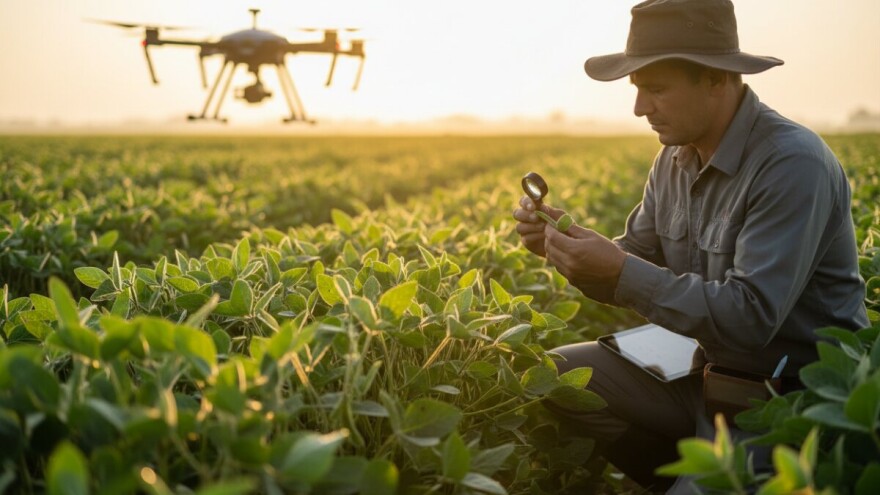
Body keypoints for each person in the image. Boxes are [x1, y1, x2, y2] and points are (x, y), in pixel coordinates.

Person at [513, 0, 869, 492]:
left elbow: (751, 319)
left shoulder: (792, 164)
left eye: (656, 89)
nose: (640, 108)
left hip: (785, 395)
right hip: (699, 369)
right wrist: (562, 246)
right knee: (553, 374)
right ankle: (681, 477)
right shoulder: (674, 157)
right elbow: (636, 258)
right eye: (638, 90)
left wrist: (617, 271)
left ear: (716, 79)